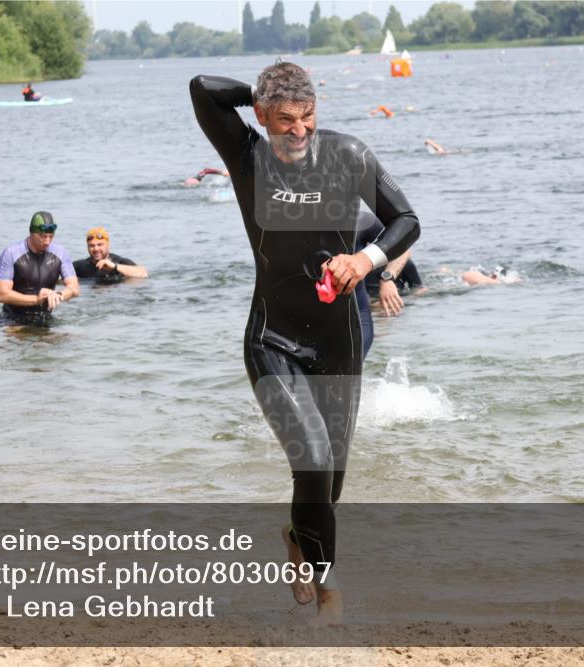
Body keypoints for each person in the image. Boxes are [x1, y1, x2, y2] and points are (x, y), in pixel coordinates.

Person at [190, 61, 420, 624]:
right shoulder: (247, 155)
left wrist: (365, 260)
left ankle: (297, 536)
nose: (299, 131)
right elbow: (202, 90)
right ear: (264, 117)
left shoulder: (348, 156)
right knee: (311, 461)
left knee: (329, 485)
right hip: (273, 337)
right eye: (285, 119)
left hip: (339, 340)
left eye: (308, 115)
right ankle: (329, 596)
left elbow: (407, 221)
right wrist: (261, 93)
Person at [354, 211, 424, 356]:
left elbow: (419, 290)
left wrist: (387, 279)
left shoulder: (405, 265)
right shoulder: (354, 263)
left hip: (394, 299)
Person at [0, 211, 79, 326]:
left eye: (51, 236)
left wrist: (59, 295)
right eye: (42, 236)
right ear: (31, 232)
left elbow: (74, 288)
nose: (47, 241)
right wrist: (36, 300)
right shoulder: (11, 253)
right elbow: (2, 294)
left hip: (44, 317)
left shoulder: (61, 252)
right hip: (12, 319)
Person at [73, 227, 149, 284]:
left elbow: (143, 273)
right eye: (92, 246)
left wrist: (114, 266)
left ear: (108, 245)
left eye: (100, 245)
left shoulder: (120, 262)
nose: (96, 249)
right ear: (87, 247)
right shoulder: (79, 266)